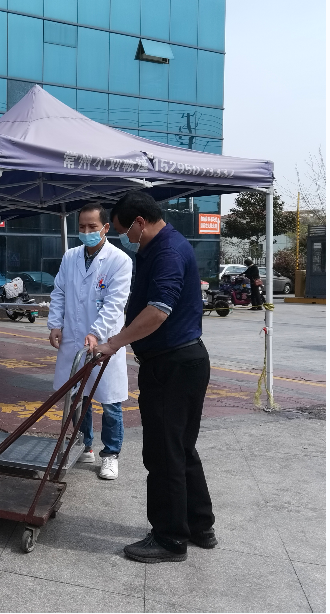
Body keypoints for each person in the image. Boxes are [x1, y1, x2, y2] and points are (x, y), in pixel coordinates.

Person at [96, 192, 215, 564]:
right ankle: (199, 525)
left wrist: (114, 343)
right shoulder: (161, 248)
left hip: (172, 365)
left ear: (140, 222)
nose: (124, 238)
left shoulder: (167, 252)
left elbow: (158, 311)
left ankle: (169, 537)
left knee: (164, 453)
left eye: (123, 231)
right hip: (181, 362)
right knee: (180, 448)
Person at [48, 203, 132, 480]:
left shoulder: (120, 260)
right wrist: (55, 324)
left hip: (104, 341)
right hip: (73, 338)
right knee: (77, 396)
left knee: (109, 400)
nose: (86, 232)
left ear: (105, 228)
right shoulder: (70, 256)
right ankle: (86, 445)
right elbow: (59, 292)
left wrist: (96, 332)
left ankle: (111, 454)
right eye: (82, 227)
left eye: (92, 227)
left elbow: (115, 304)